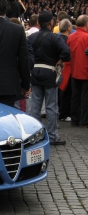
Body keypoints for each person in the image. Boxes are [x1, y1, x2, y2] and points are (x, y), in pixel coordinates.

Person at [27, 11, 71, 145]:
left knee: (35, 107)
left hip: (35, 72)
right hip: (50, 73)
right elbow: (67, 53)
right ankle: (52, 136)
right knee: (52, 107)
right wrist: (60, 60)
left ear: (39, 23)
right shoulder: (54, 38)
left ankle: (35, 136)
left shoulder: (31, 37)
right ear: (51, 23)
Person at [67, 15, 88, 128]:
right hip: (85, 71)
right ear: (86, 24)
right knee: (85, 97)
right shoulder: (87, 37)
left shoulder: (71, 37)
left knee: (75, 96)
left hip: (74, 70)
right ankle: (84, 121)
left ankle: (74, 119)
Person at [58, 19, 73, 122]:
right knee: (66, 92)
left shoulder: (57, 38)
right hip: (66, 68)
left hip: (60, 68)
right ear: (68, 28)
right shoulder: (66, 40)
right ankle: (64, 113)